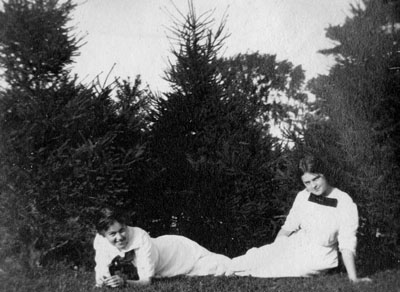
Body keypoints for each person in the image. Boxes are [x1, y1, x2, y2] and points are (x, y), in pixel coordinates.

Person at [227, 155, 371, 283]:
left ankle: (234, 270)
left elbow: (347, 243)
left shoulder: (344, 201)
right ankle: (219, 265)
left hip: (319, 258)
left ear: (325, 174)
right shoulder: (303, 196)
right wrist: (276, 248)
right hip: (296, 243)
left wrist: (353, 277)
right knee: (257, 257)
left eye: (316, 178)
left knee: (271, 269)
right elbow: (288, 227)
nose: (313, 186)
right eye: (307, 183)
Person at [93, 208, 231, 288]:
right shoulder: (101, 240)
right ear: (103, 235)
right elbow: (101, 270)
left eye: (122, 230)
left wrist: (124, 282)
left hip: (178, 252)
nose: (119, 237)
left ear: (126, 225)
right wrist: (104, 280)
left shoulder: (140, 238)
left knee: (219, 266)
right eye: (112, 234)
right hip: (163, 247)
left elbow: (146, 281)